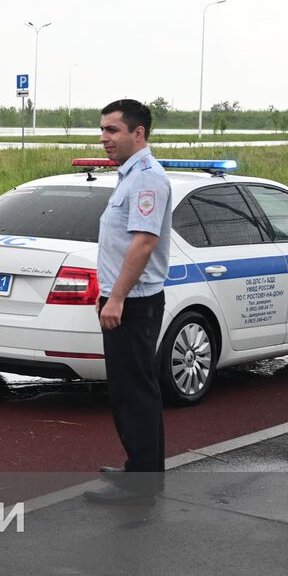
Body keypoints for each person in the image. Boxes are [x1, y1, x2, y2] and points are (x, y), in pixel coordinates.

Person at [85, 98, 172, 504]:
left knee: (134, 391)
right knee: (129, 388)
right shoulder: (130, 176)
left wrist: (116, 298)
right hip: (124, 296)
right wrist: (106, 292)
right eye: (102, 130)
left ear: (138, 133)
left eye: (112, 130)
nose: (104, 138)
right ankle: (141, 468)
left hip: (135, 301)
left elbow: (143, 243)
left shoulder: (147, 179)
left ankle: (142, 483)